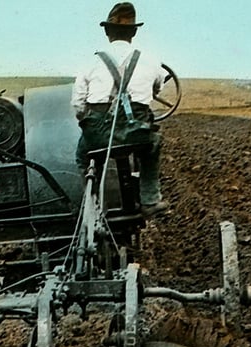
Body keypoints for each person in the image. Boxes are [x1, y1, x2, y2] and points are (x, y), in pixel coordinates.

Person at [71, 2, 168, 217]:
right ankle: (150, 201)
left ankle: (92, 204)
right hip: (136, 133)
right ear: (133, 32)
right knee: (153, 145)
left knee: (82, 156)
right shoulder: (152, 61)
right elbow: (157, 88)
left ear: (107, 32)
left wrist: (89, 122)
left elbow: (78, 105)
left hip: (99, 135)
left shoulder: (90, 61)